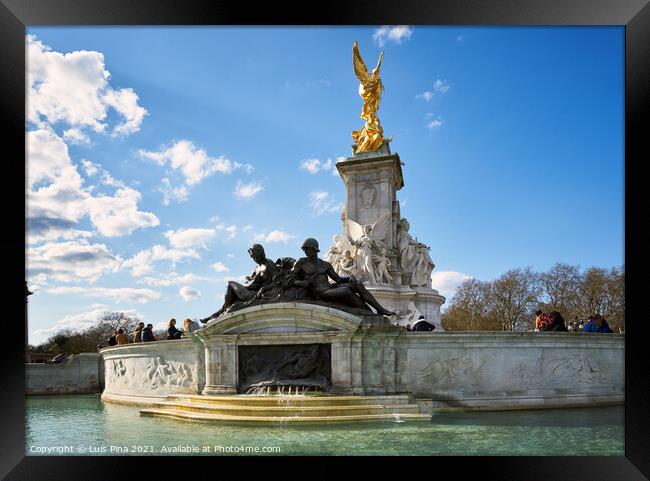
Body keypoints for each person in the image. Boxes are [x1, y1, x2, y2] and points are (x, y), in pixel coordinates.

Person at [286, 238, 394, 316]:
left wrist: (349, 278)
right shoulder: (301, 263)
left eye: (307, 250)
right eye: (304, 250)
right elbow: (289, 279)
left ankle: (380, 309)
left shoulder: (325, 264)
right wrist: (301, 283)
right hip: (319, 292)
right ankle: (368, 312)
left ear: (314, 249)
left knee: (358, 285)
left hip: (329, 288)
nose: (305, 252)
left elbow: (337, 279)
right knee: (346, 291)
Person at [201, 244, 278, 322]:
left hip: (254, 294)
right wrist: (249, 279)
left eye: (254, 256)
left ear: (259, 253)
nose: (253, 259)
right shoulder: (257, 267)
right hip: (249, 290)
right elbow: (251, 280)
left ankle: (221, 315)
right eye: (252, 257)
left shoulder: (268, 264)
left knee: (230, 284)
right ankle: (213, 316)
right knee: (231, 300)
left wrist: (263, 289)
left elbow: (277, 281)